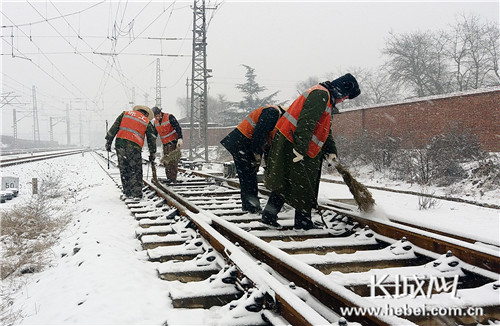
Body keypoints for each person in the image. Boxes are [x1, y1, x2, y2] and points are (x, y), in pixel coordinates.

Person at [261, 73, 361, 229]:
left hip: (294, 142)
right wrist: (299, 150)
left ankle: (269, 215)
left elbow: (325, 129)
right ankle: (302, 222)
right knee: (303, 183)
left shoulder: (326, 99)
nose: (343, 100)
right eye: (345, 97)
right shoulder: (321, 94)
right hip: (294, 143)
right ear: (341, 89)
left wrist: (331, 150)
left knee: (286, 181)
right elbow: (307, 122)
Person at [221, 105, 286, 213]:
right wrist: (256, 154)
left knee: (247, 176)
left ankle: (248, 205)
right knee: (248, 175)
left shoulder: (275, 115)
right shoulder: (272, 113)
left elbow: (267, 140)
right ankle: (252, 207)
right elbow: (258, 135)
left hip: (241, 143)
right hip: (242, 143)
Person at [105, 105, 157, 200]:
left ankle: (127, 192)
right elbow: (151, 138)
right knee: (135, 170)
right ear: (146, 114)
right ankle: (136, 194)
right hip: (134, 146)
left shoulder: (125, 114)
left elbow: (114, 128)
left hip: (120, 144)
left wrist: (108, 142)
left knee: (124, 168)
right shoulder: (146, 121)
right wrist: (152, 152)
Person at [152, 106, 183, 183]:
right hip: (165, 144)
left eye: (157, 116)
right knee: (166, 161)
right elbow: (154, 135)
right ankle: (169, 177)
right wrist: (152, 143)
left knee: (172, 161)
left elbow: (178, 127)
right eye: (155, 117)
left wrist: (180, 138)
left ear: (160, 113)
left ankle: (173, 179)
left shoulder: (169, 117)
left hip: (173, 142)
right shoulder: (155, 122)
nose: (156, 118)